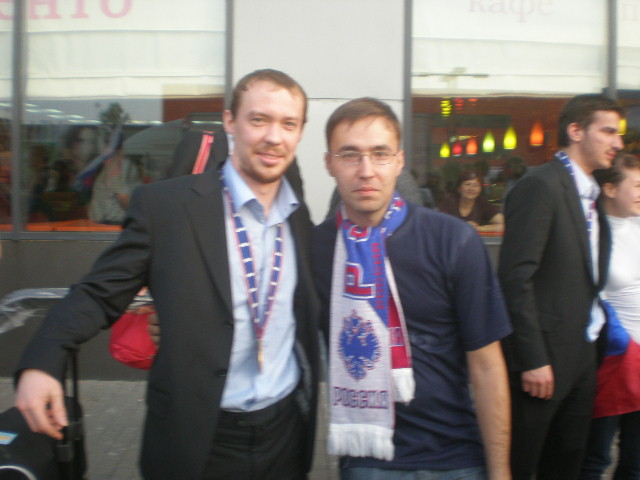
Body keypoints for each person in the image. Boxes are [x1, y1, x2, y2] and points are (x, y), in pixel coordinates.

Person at [13, 69, 320, 480]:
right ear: (230, 122)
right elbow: (98, 293)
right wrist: (42, 361)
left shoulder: (298, 216)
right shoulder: (167, 207)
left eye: (288, 124)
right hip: (200, 438)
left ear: (300, 132)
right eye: (259, 120)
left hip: (284, 434)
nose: (274, 137)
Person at [312, 98, 512, 480]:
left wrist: (500, 471)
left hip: (456, 455)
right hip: (368, 457)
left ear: (399, 161)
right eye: (350, 155)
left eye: (380, 154)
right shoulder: (315, 248)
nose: (366, 170)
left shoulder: (452, 240)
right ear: (329, 163)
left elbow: (487, 365)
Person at [498, 94, 624, 480]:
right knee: (524, 463)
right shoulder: (541, 185)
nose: (618, 143)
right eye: (608, 132)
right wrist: (533, 358)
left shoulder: (593, 194)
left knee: (567, 462)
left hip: (584, 352)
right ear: (575, 131)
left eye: (618, 134)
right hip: (543, 360)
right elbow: (516, 278)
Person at [580, 153, 640, 480]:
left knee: (635, 461)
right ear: (611, 189)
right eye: (637, 185)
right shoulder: (592, 232)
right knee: (596, 457)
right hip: (614, 356)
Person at [437, 170, 504, 233]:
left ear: (480, 190)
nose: (471, 189)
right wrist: (462, 227)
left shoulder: (482, 202)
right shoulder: (448, 202)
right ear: (459, 188)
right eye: (467, 184)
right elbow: (437, 226)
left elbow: (503, 224)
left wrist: (478, 228)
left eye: (476, 185)